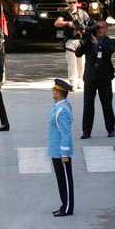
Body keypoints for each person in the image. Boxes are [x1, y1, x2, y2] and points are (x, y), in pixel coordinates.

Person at [75, 20, 115, 138]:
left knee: (107, 104)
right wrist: (84, 39)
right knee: (88, 105)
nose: (100, 30)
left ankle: (110, 129)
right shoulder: (88, 41)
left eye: (103, 27)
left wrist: (97, 44)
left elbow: (108, 51)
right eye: (98, 28)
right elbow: (78, 53)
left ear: (106, 29)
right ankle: (86, 131)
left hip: (104, 77)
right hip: (90, 77)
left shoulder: (110, 41)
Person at [48, 78, 74, 217]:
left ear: (58, 93)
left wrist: (64, 153)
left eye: (54, 90)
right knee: (61, 180)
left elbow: (65, 133)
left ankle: (68, 207)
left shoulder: (62, 110)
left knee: (65, 181)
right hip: (56, 151)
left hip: (61, 152)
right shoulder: (60, 106)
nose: (53, 91)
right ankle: (64, 205)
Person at [54, 0, 90, 90]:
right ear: (67, 3)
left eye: (74, 2)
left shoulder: (83, 13)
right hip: (70, 41)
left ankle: (81, 80)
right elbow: (57, 23)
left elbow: (90, 25)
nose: (72, 4)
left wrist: (83, 30)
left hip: (81, 41)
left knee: (81, 63)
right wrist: (68, 23)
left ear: (77, 3)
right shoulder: (65, 13)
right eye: (70, 2)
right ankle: (73, 82)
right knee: (72, 63)